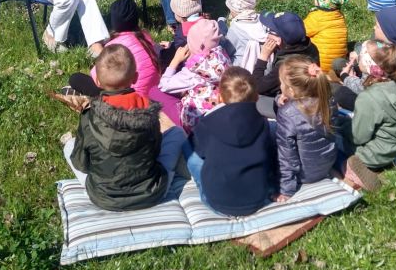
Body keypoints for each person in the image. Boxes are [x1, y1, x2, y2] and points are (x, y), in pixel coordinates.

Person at [63, 44, 186, 211]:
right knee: (177, 133)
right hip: (152, 193)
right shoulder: (148, 111)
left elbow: (81, 164)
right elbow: (155, 153)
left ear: (97, 81)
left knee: (69, 146)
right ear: (135, 77)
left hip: (103, 197)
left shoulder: (89, 116)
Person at [183, 67, 276, 216]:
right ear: (257, 97)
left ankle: (203, 186)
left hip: (217, 203)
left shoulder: (208, 122)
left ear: (220, 98)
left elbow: (199, 150)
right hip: (257, 198)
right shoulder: (262, 122)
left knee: (188, 147)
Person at [340, 40, 396, 191]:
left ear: (369, 65)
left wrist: (343, 125)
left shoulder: (368, 98)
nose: (357, 57)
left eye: (361, 56)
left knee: (334, 139)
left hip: (373, 155)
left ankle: (356, 168)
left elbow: (358, 137)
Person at [274, 56, 338, 201]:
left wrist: (287, 190)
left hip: (304, 174)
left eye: (281, 83)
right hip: (326, 165)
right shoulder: (329, 100)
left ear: (290, 89)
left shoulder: (287, 113)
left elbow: (287, 156)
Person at [158, 18, 231, 132]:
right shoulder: (222, 55)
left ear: (197, 45)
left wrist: (175, 60)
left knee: (155, 92)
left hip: (196, 122)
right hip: (219, 111)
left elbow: (164, 85)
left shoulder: (193, 71)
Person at [252, 11, 320, 98]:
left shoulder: (285, 65)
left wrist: (263, 57)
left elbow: (257, 87)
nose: (267, 34)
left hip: (291, 103)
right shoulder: (311, 47)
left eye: (269, 31)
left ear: (278, 40)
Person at [217, 0, 268, 71]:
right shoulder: (263, 20)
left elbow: (227, 51)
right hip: (265, 66)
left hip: (242, 72)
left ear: (236, 8)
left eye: (231, 9)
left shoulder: (236, 29)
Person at [303, 0, 350, 74]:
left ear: (323, 0)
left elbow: (300, 31)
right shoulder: (339, 16)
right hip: (338, 65)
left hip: (320, 66)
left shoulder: (317, 17)